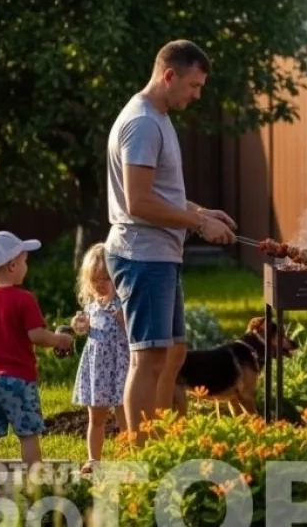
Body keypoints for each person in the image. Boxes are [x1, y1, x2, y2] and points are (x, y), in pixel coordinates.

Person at [104, 39, 236, 444]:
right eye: (194, 86)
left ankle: (160, 440)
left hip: (160, 256)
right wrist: (196, 224)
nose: (197, 95)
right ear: (169, 75)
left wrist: (201, 211)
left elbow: (159, 192)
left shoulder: (159, 118)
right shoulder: (143, 122)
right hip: (141, 256)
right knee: (147, 358)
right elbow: (139, 201)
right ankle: (140, 455)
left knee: (173, 352)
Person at [0, 231, 74, 497]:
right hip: (17, 379)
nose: (26, 267)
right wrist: (59, 340)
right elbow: (36, 335)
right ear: (12, 265)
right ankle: (36, 487)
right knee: (28, 435)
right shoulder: (24, 299)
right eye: (25, 261)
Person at [69, 243, 129, 473]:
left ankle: (129, 457)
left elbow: (131, 330)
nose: (99, 284)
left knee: (125, 416)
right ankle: (94, 459)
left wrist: (121, 318)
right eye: (94, 279)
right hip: (97, 371)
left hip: (121, 367)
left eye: (105, 278)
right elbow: (83, 329)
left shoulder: (122, 304)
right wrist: (79, 326)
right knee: (96, 418)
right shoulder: (91, 307)